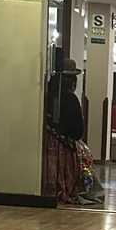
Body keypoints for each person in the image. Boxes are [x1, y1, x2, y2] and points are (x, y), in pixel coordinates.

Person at [45, 59, 104, 206]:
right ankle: (84, 189)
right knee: (85, 153)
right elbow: (77, 131)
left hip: (46, 139)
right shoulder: (71, 98)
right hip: (64, 144)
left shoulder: (46, 94)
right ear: (73, 81)